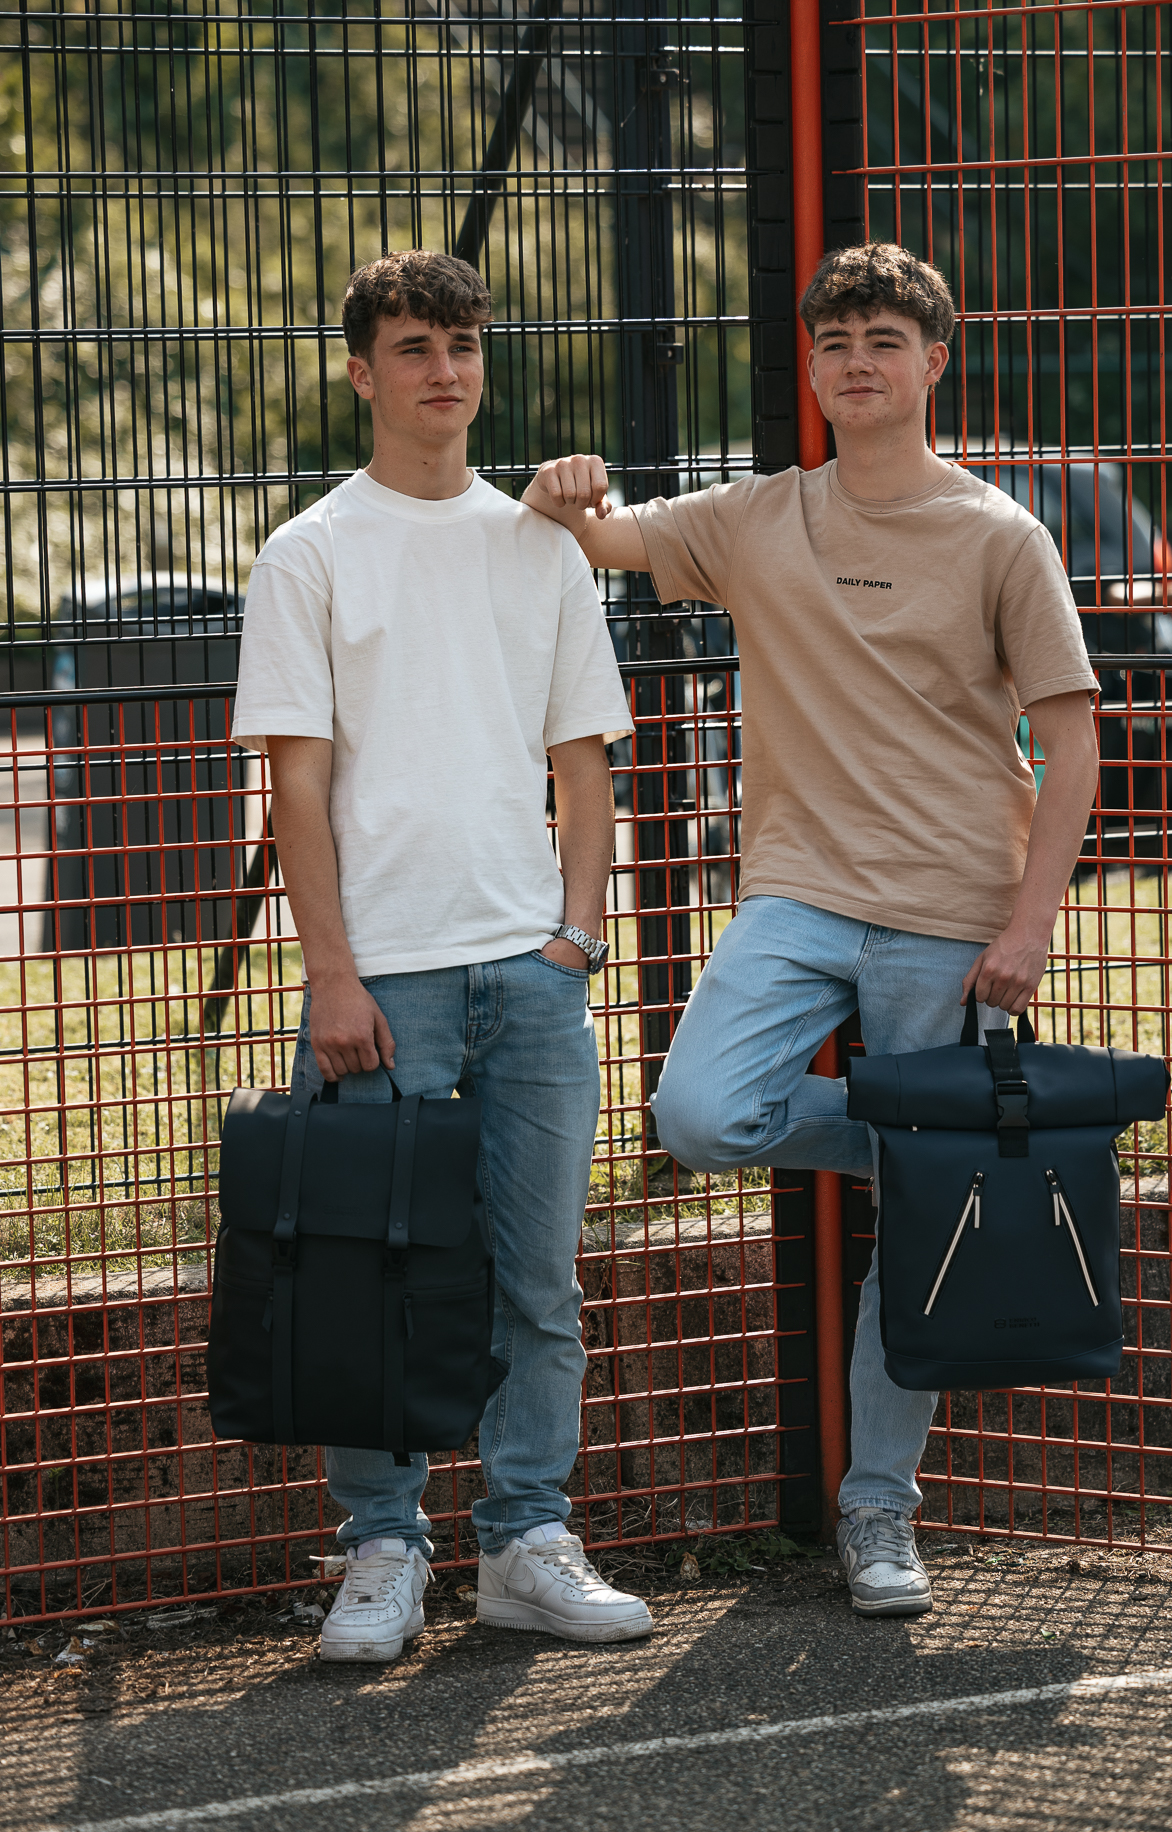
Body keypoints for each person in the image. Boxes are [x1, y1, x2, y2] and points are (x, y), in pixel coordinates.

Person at [520, 242, 1100, 1619]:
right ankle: (922, 1150)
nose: (856, 362)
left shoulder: (1001, 536)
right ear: (815, 369)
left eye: (884, 340)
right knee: (699, 1113)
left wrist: (1031, 925)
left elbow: (1073, 743)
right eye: (836, 342)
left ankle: (879, 1512)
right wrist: (562, 486)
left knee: (916, 1237)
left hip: (953, 912)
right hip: (795, 894)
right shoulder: (756, 516)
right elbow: (603, 538)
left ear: (934, 362)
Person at [231, 249, 652, 1660]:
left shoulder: (540, 545)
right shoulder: (309, 552)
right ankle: (381, 1549)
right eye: (414, 347)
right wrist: (331, 974)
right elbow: (296, 786)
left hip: (530, 975)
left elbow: (583, 764)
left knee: (539, 1282)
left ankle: (528, 1541)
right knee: (369, 1276)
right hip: (385, 978)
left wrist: (576, 936)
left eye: (463, 345)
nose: (444, 370)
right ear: (362, 372)